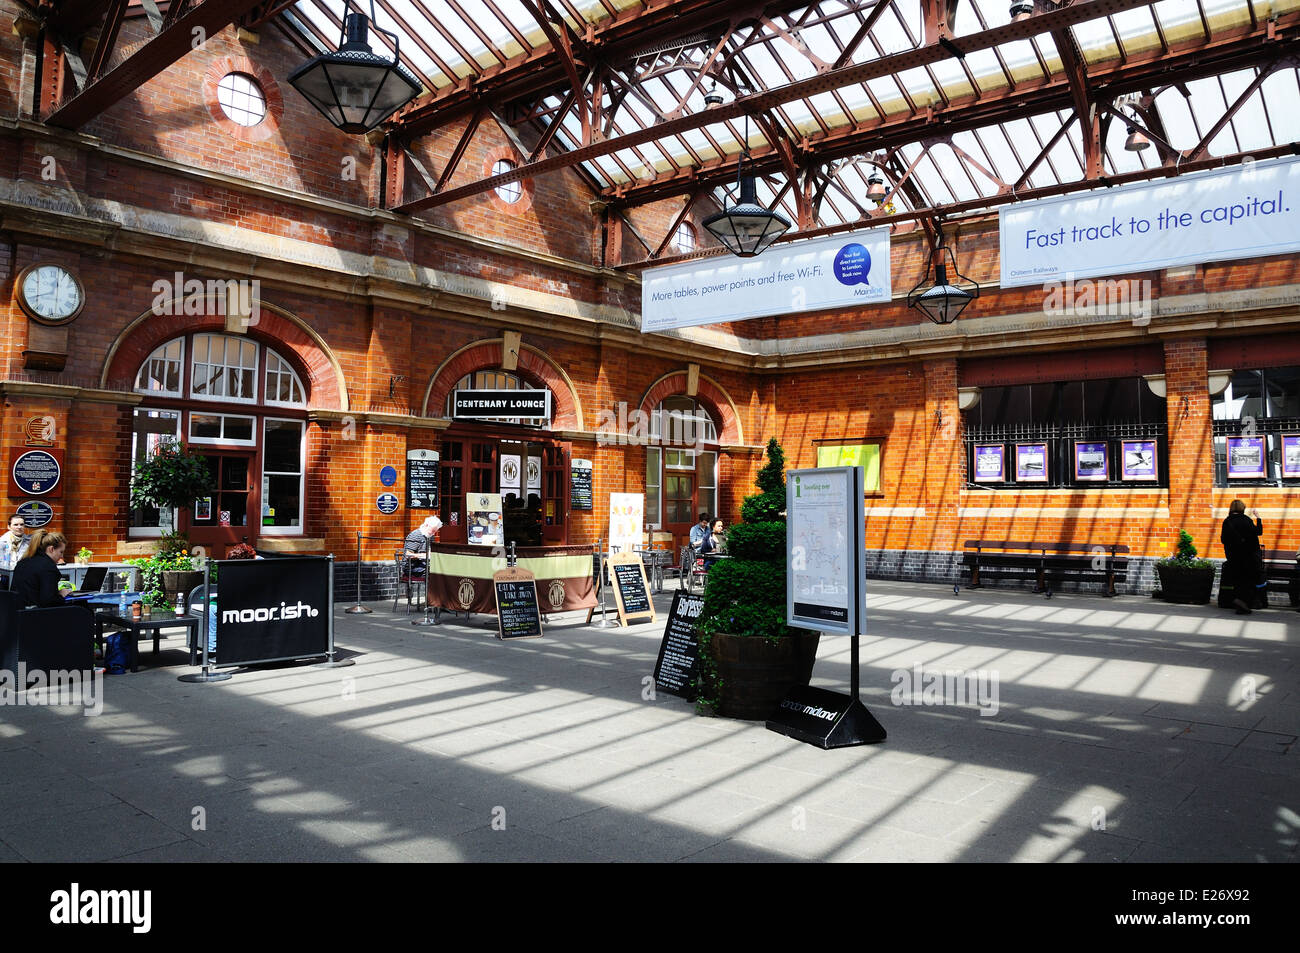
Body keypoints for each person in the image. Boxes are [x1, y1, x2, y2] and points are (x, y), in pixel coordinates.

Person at [1221, 499, 1264, 614]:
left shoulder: (1227, 521)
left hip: (1233, 557)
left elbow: (1223, 540)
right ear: (1242, 508)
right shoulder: (1246, 520)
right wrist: (1258, 518)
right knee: (1247, 579)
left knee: (1237, 579)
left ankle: (1240, 602)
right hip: (1248, 556)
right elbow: (1258, 532)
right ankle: (1243, 602)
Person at [11, 529, 73, 608]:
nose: (62, 557)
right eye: (61, 552)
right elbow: (48, 601)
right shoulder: (48, 567)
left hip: (15, 614)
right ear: (51, 549)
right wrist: (61, 596)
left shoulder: (23, 562)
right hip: (35, 615)